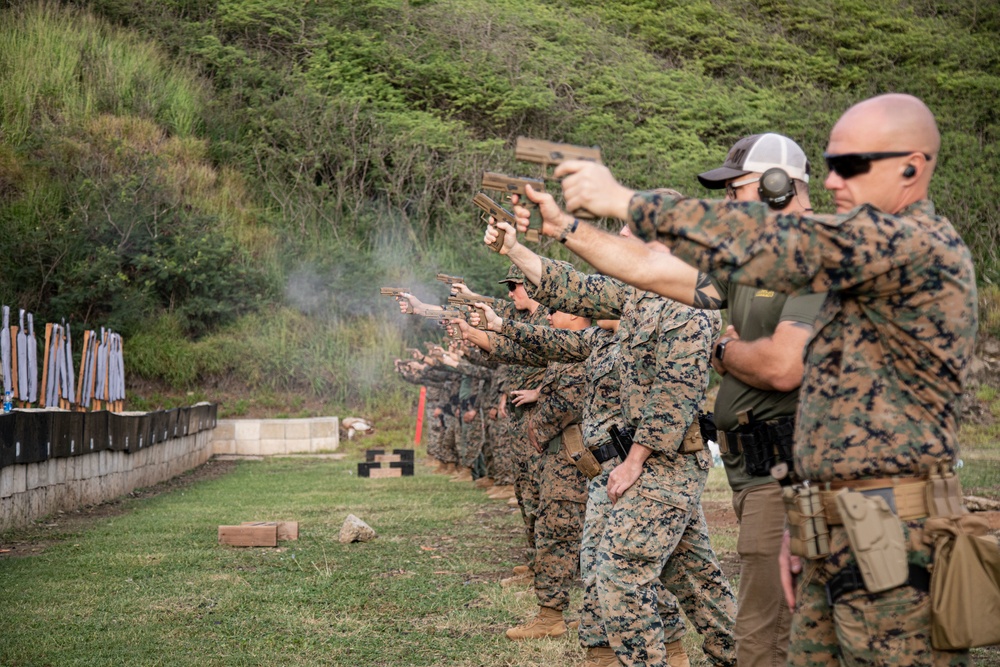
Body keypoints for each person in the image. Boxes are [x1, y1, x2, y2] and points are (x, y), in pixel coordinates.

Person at [517, 93, 978, 667]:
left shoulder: (914, 245)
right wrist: (568, 230)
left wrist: (629, 203)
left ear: (912, 165)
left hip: (887, 521)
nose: (833, 181)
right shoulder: (840, 256)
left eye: (851, 164)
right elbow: (658, 271)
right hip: (829, 510)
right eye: (830, 163)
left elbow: (785, 262)